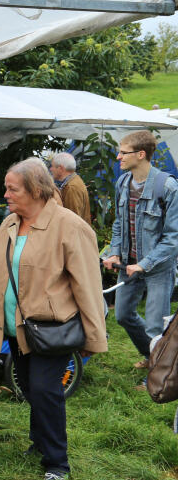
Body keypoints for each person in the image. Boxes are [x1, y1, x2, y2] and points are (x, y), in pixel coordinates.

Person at [0, 158, 107, 480]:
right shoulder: (10, 223)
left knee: (44, 388)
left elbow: (88, 285)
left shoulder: (70, 227)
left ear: (36, 190)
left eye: (13, 189)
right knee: (29, 386)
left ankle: (57, 463)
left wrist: (93, 336)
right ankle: (39, 443)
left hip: (52, 327)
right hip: (17, 327)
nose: (6, 195)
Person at [101, 130, 178, 376]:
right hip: (129, 263)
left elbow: (173, 238)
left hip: (158, 268)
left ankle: (157, 378)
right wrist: (115, 253)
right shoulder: (123, 183)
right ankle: (152, 355)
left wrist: (145, 263)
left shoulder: (167, 187)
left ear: (141, 154)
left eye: (124, 152)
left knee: (155, 327)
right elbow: (118, 223)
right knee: (123, 315)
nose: (118, 157)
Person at [49, 152, 91, 225]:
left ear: (60, 168)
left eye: (52, 166)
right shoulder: (74, 180)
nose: (50, 169)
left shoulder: (71, 188)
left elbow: (72, 221)